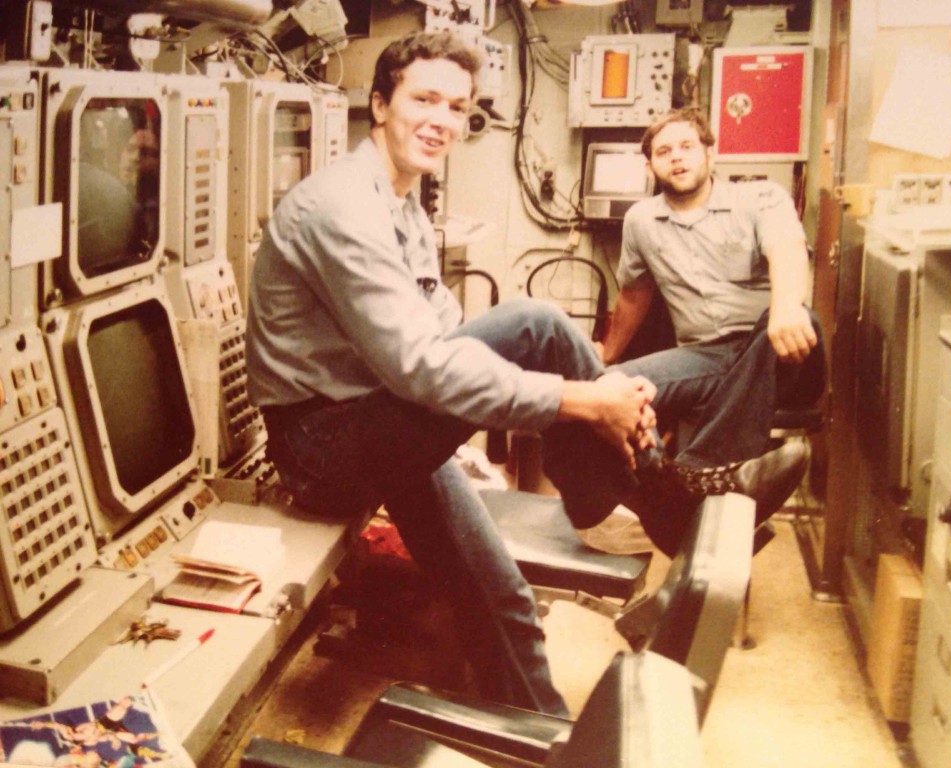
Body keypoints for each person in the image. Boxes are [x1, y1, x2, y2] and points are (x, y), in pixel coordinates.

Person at [245, 31, 695, 718]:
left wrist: (583, 403)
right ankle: (658, 499)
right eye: (424, 99)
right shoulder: (338, 207)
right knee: (536, 325)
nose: (442, 121)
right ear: (379, 105)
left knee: (500, 592)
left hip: (383, 418)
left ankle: (544, 742)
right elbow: (422, 365)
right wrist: (584, 401)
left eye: (456, 107)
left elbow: (443, 331)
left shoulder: (404, 201)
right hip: (325, 449)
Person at [600, 106, 827, 531]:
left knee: (792, 322)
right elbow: (634, 295)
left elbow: (787, 248)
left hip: (783, 350)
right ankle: (665, 497)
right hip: (705, 357)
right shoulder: (641, 222)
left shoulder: (760, 197)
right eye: (664, 151)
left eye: (687, 146)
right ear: (650, 166)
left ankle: (696, 470)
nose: (677, 157)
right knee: (609, 391)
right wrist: (609, 356)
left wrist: (784, 309)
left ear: (710, 154)